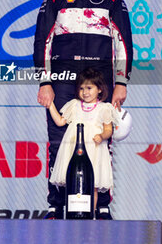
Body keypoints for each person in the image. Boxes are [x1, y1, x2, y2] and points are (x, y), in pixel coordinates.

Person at [33, 0, 133, 219]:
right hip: (63, 77)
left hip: (100, 77)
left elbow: (122, 40)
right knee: (58, 139)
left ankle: (101, 205)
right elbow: (43, 40)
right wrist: (45, 81)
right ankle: (57, 204)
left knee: (103, 139)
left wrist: (121, 82)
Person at [49, 68, 119, 213]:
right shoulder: (74, 105)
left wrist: (101, 136)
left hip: (94, 149)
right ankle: (72, 214)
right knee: (72, 183)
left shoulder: (104, 108)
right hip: (73, 150)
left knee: (92, 184)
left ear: (99, 89)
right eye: (81, 88)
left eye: (89, 88)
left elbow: (108, 130)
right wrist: (50, 105)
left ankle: (90, 215)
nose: (85, 92)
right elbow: (61, 121)